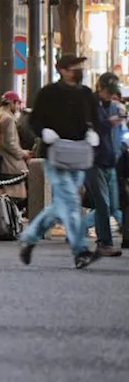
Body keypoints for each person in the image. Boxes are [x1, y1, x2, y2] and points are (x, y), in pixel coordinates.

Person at [20, 55, 101, 268]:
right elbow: (34, 119)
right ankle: (80, 251)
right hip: (55, 155)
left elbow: (95, 118)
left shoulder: (86, 94)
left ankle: (29, 238)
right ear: (63, 70)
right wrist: (44, 132)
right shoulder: (48, 93)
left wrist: (92, 132)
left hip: (79, 155)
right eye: (75, 67)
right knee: (72, 203)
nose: (79, 70)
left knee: (61, 205)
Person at [85, 73, 122, 258]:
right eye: (108, 92)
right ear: (100, 88)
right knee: (103, 204)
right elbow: (91, 127)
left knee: (111, 204)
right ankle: (104, 242)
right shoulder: (90, 104)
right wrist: (109, 122)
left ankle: (103, 241)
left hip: (108, 159)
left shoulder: (110, 106)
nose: (110, 95)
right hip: (94, 160)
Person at [0, 91, 28, 205]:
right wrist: (23, 153)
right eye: (17, 104)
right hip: (9, 162)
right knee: (13, 195)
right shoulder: (8, 119)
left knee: (0, 197)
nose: (18, 107)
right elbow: (10, 143)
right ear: (12, 103)